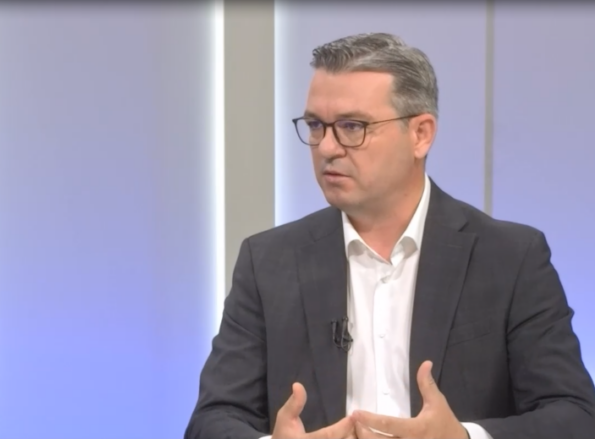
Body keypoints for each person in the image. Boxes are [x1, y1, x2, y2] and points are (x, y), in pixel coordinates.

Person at [184, 33, 595, 439]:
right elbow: (212, 420)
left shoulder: (510, 258)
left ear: (420, 134)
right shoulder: (268, 262)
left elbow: (575, 416)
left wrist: (465, 438)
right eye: (315, 126)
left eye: (352, 126)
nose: (327, 147)